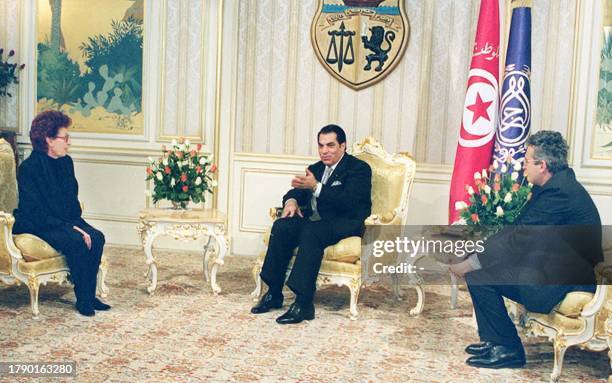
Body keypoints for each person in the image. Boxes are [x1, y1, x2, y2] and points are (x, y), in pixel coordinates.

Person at [451, 130, 603, 368]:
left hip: (562, 281)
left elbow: (520, 238)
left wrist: (470, 262)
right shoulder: (555, 185)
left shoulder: (560, 193)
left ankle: (508, 350)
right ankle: (496, 341)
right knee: (479, 272)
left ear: (542, 165)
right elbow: (517, 231)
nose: (523, 167)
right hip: (550, 268)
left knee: (477, 274)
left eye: (526, 162)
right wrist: (474, 254)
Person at [252, 124, 372, 324]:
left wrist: (316, 187)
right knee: (283, 226)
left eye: (330, 145)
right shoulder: (316, 168)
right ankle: (274, 293)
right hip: (317, 222)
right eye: (321, 146)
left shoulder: (358, 169)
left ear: (343, 146)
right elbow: (295, 191)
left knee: (311, 231)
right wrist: (291, 201)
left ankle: (304, 303)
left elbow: (348, 201)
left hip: (345, 223)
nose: (324, 151)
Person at [13, 110, 110, 317]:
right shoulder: (29, 168)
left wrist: (75, 223)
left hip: (65, 219)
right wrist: (70, 227)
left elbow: (71, 201)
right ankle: (83, 300)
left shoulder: (67, 162)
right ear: (48, 139)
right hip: (37, 223)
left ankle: (90, 295)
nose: (68, 143)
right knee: (77, 241)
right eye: (65, 138)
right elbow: (34, 210)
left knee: (97, 237)